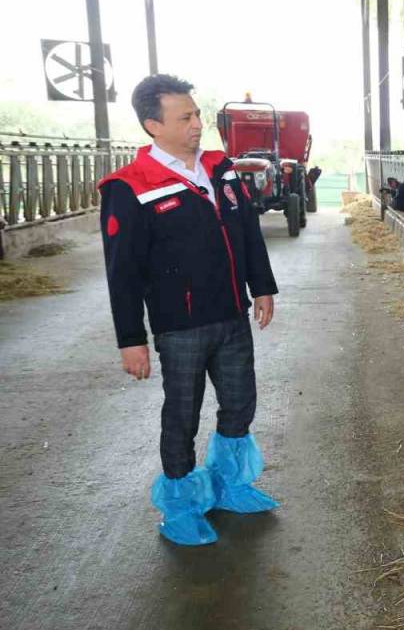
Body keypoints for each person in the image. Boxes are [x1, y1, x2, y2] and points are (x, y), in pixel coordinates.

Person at [99, 74, 279, 546]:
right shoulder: (131, 187)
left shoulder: (219, 169)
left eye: (197, 114)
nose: (198, 124)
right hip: (179, 326)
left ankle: (231, 486)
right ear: (153, 125)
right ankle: (181, 507)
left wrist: (261, 288)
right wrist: (131, 339)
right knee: (182, 414)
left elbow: (247, 234)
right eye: (186, 117)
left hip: (231, 314)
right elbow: (122, 272)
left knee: (240, 402)